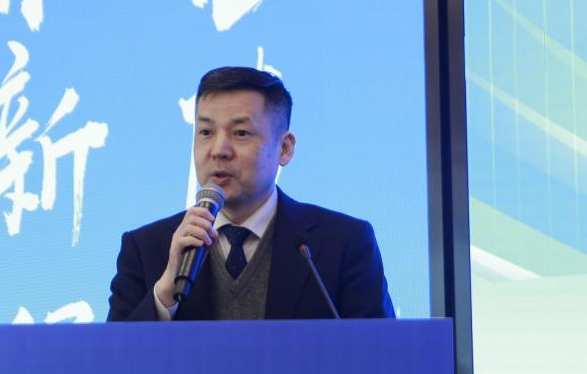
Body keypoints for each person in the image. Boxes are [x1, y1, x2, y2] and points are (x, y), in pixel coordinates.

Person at [107, 66, 395, 321]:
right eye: (206, 132)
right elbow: (113, 358)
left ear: (285, 148)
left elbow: (380, 354)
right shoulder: (147, 248)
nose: (219, 150)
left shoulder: (343, 244)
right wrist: (165, 294)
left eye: (240, 133)